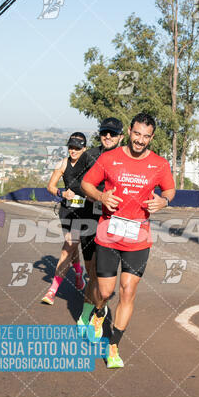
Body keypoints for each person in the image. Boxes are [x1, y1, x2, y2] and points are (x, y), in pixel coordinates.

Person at [81, 112, 175, 368]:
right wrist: (101, 198)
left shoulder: (159, 164)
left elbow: (170, 189)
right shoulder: (109, 158)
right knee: (104, 291)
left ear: (151, 137)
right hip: (109, 234)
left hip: (138, 237)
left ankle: (113, 347)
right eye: (137, 134)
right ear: (129, 133)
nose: (140, 140)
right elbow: (86, 184)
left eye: (146, 136)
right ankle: (100, 312)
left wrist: (163, 201)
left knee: (128, 291)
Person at [75, 117, 124, 331]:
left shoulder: (126, 158)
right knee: (91, 273)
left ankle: (93, 314)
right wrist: (97, 194)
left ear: (121, 136)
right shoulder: (91, 155)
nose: (108, 136)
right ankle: (92, 309)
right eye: (105, 132)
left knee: (98, 271)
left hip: (113, 221)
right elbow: (76, 183)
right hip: (89, 218)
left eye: (113, 133)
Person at [41, 132, 88, 305]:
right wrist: (62, 192)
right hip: (68, 211)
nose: (73, 151)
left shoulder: (90, 164)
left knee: (69, 247)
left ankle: (59, 286)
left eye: (77, 147)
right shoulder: (63, 163)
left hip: (86, 213)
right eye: (71, 147)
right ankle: (72, 277)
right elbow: (50, 186)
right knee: (70, 247)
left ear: (84, 148)